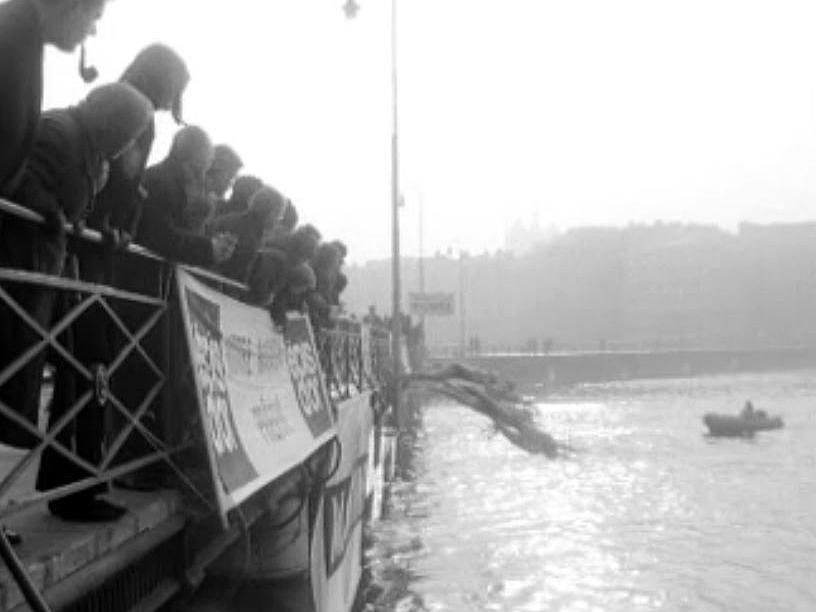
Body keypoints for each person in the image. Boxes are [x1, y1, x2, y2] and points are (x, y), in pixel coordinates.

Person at [11, 84, 152, 523]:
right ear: (113, 121)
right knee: (12, 381)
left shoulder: (89, 149)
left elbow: (78, 212)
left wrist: (98, 229)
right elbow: (16, 176)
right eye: (130, 133)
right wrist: (48, 210)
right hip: (19, 276)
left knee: (72, 381)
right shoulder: (58, 131)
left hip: (49, 277)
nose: (130, 146)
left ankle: (71, 490)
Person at [0, 0, 109, 198]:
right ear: (75, 7)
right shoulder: (9, 34)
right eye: (95, 17)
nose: (93, 31)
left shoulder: (25, 37)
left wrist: (34, 199)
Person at [86, 43, 190, 250]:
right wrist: (107, 222)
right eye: (176, 89)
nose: (175, 98)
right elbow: (121, 176)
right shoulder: (138, 114)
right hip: (94, 227)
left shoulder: (120, 98)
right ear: (163, 82)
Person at [136, 126, 236, 266]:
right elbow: (159, 236)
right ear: (184, 161)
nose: (201, 177)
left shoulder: (169, 181)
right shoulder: (161, 183)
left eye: (204, 169)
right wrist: (209, 247)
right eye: (198, 170)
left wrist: (213, 244)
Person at [210, 185, 288, 281]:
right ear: (271, 213)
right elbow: (234, 276)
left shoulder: (230, 218)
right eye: (279, 215)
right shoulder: (251, 238)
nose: (278, 221)